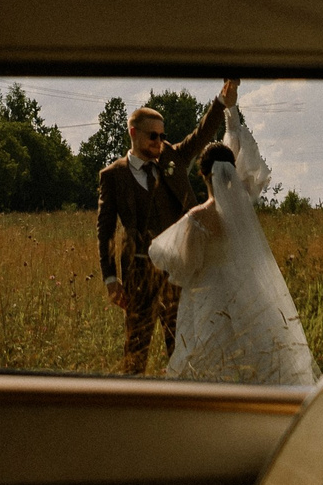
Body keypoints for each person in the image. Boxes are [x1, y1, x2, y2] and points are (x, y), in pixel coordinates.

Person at [147, 111, 317, 386]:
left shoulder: (197, 218)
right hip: (242, 291)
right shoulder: (241, 214)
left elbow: (189, 267)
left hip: (206, 297)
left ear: (203, 175)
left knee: (205, 355)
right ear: (231, 174)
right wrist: (231, 118)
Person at [96, 79, 234, 375]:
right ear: (133, 133)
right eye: (153, 135)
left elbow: (201, 135)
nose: (159, 141)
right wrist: (110, 278)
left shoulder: (172, 157)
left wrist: (221, 102)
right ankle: (131, 405)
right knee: (135, 351)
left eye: (162, 135)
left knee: (181, 347)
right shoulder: (113, 175)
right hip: (137, 274)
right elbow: (105, 229)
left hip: (177, 272)